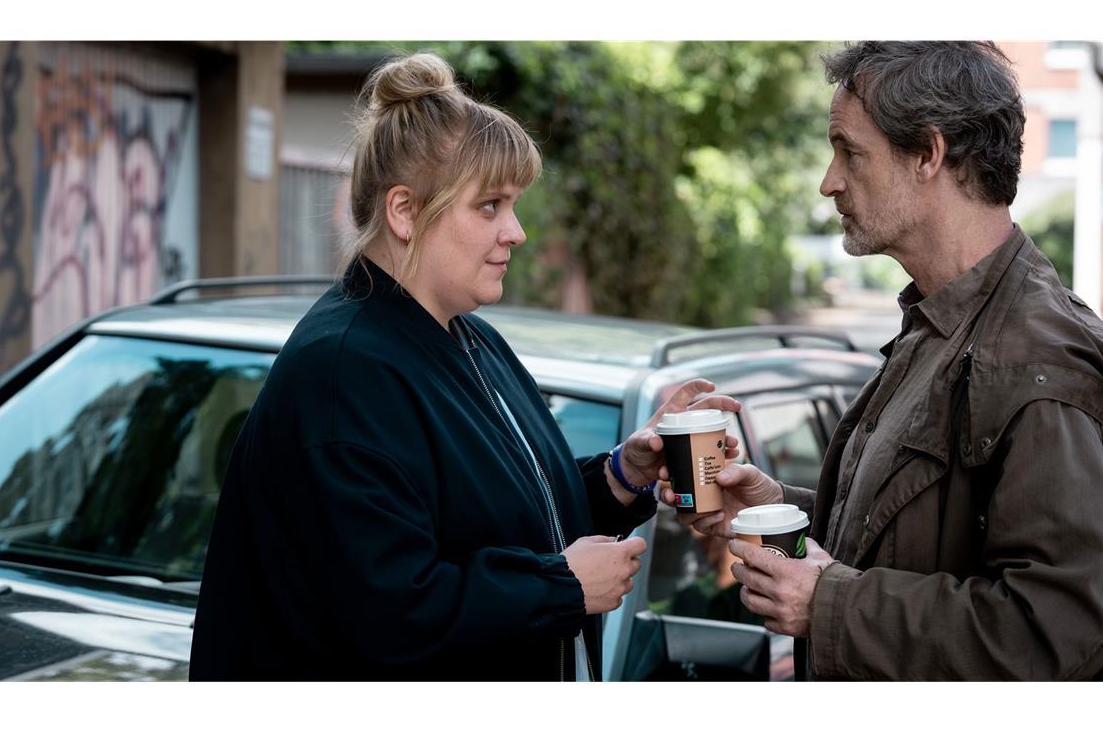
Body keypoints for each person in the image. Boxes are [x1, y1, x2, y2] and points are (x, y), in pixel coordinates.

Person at [189, 52, 740, 681]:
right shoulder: (344, 372)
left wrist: (621, 474)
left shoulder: (467, 339)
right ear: (404, 212)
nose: (517, 232)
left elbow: (505, 514)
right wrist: (557, 587)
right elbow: (383, 613)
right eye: (490, 206)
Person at [666, 41, 1103, 680]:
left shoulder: (1035, 363)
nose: (829, 180)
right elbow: (914, 542)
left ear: (928, 154)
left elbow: (1056, 635)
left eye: (850, 151)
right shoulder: (940, 321)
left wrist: (829, 603)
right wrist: (775, 505)